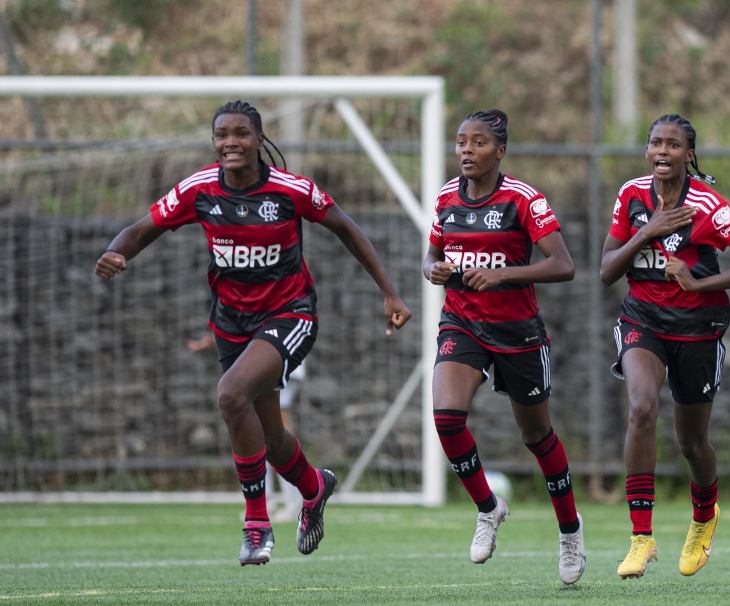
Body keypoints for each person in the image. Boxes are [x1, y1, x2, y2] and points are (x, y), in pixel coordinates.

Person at [95, 99, 412, 566]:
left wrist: (390, 293)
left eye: (241, 133)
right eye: (221, 134)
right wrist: (115, 252)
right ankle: (314, 485)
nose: (231, 142)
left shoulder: (291, 190)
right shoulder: (198, 190)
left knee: (229, 395)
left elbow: (347, 228)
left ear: (260, 141)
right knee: (271, 435)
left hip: (291, 314)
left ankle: (256, 524)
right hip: (231, 324)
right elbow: (141, 230)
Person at [600, 114, 730, 579]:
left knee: (692, 443)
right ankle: (641, 538)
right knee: (640, 408)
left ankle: (704, 517)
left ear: (688, 154)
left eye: (672, 145)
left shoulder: (708, 205)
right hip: (644, 320)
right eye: (655, 142)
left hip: (698, 326)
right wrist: (647, 232)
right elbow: (606, 270)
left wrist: (700, 285)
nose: (662, 152)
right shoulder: (631, 196)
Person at [423, 109, 585, 585]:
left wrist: (503, 274)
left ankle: (571, 532)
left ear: (500, 150)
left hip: (518, 332)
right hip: (462, 322)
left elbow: (564, 265)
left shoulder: (524, 199)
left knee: (536, 436)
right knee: (447, 417)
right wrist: (432, 269)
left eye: (477, 143)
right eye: (460, 143)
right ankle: (488, 508)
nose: (466, 151)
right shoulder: (446, 200)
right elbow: (435, 256)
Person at [186, 330, 301, 522]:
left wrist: (219, 339)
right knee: (260, 427)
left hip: (279, 355)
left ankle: (296, 502)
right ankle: (266, 501)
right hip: (264, 357)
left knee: (277, 428)